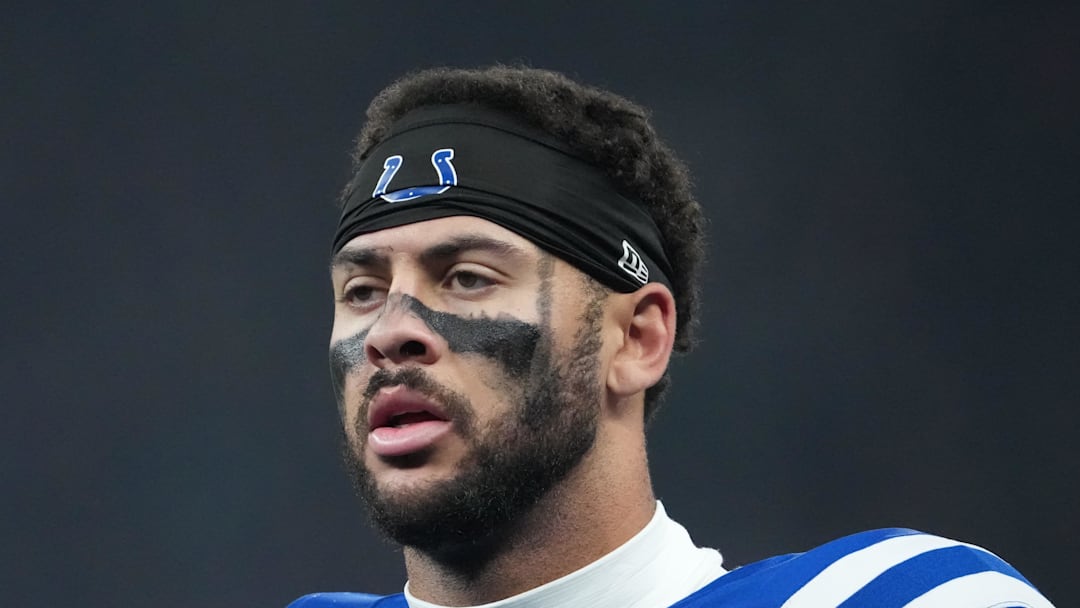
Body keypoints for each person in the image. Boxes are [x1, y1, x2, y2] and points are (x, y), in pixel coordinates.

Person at [289, 66, 1055, 608]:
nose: (391, 332)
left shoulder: (892, 598)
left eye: (467, 278)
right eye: (363, 291)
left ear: (637, 339)